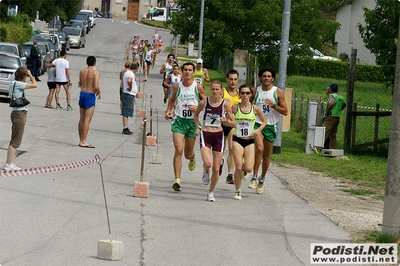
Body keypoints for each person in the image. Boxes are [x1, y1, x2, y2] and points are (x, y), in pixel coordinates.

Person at [165, 62, 207, 192]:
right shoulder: (177, 87)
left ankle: (192, 157)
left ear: (193, 72)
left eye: (190, 70)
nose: (187, 72)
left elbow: (206, 102)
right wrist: (169, 111)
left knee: (187, 154)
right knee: (178, 149)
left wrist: (198, 107)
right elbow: (172, 100)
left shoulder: (198, 87)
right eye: (185, 70)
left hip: (192, 123)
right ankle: (177, 180)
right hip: (179, 121)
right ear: (182, 72)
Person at [194, 80, 235, 202]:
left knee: (216, 169)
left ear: (221, 91)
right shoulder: (204, 102)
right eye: (213, 89)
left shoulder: (225, 105)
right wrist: (197, 127)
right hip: (205, 134)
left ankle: (211, 192)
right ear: (210, 90)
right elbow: (196, 114)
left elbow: (233, 122)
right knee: (208, 163)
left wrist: (225, 121)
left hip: (218, 135)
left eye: (217, 89)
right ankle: (206, 171)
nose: (215, 91)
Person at [251, 66, 288, 194]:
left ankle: (262, 179)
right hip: (257, 124)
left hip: (271, 125)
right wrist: (252, 107)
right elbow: (246, 105)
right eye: (264, 76)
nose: (266, 78)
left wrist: (274, 106)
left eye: (269, 76)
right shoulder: (255, 91)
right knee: (259, 149)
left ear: (272, 78)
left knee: (266, 155)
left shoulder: (277, 92)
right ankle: (254, 177)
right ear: (260, 78)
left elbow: (285, 111)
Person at [231, 84, 267, 200]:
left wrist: (258, 130)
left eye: (247, 93)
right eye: (243, 93)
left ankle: (246, 172)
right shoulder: (235, 107)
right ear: (239, 94)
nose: (245, 95)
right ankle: (238, 191)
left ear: (251, 95)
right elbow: (227, 118)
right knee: (238, 167)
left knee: (248, 168)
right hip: (237, 139)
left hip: (250, 140)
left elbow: (264, 121)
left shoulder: (255, 108)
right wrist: (226, 121)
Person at [2, 67, 37, 170]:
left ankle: (9, 163)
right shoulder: (19, 84)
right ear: (23, 76)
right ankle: (9, 164)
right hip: (20, 113)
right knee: (16, 140)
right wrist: (31, 75)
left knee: (14, 138)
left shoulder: (12, 84)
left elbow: (10, 94)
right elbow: (35, 84)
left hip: (15, 113)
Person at [222, 69, 241, 184]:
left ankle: (230, 174)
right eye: (231, 79)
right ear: (227, 80)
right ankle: (220, 162)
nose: (233, 82)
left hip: (234, 124)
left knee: (231, 147)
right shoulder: (222, 92)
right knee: (221, 149)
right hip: (222, 123)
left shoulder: (241, 94)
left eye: (235, 79)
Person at [78, 56, 101, 148]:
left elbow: (80, 83)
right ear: (95, 63)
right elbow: (95, 86)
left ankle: (81, 139)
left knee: (82, 118)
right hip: (90, 94)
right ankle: (84, 140)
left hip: (83, 93)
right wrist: (99, 92)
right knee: (87, 120)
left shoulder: (82, 71)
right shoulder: (95, 72)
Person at [322, 83, 346, 149]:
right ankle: (332, 148)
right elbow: (344, 104)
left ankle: (318, 147)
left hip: (331, 116)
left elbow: (331, 103)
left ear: (331, 89)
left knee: (324, 132)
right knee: (333, 135)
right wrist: (339, 110)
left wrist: (327, 112)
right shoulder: (341, 97)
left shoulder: (333, 96)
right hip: (337, 117)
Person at [122, 62, 140, 135]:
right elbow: (129, 80)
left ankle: (126, 127)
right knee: (126, 111)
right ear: (136, 68)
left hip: (128, 94)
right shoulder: (130, 74)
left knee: (126, 111)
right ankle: (125, 128)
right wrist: (130, 87)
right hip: (128, 94)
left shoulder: (127, 72)